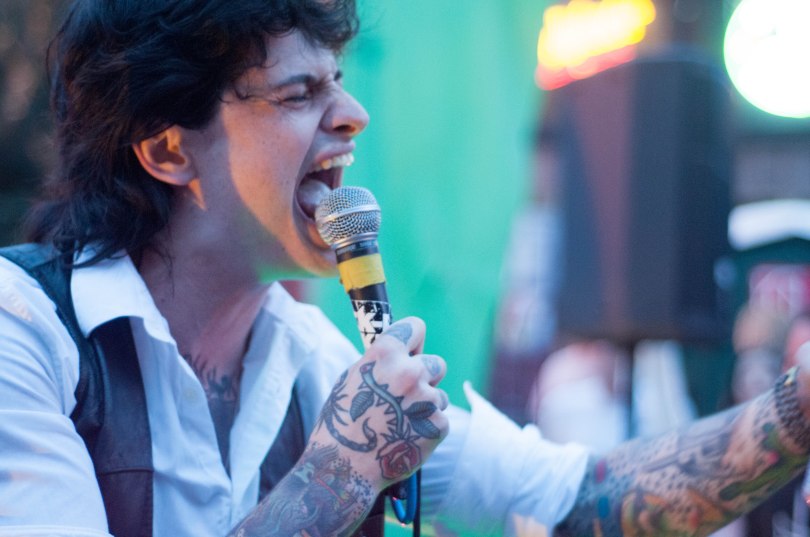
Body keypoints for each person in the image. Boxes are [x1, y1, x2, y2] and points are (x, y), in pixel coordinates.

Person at [2, 1, 810, 536]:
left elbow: (581, 500)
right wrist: (340, 471)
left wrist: (795, 408)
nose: (352, 115)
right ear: (168, 149)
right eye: (298, 93)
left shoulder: (310, 358)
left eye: (340, 82)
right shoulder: (26, 329)